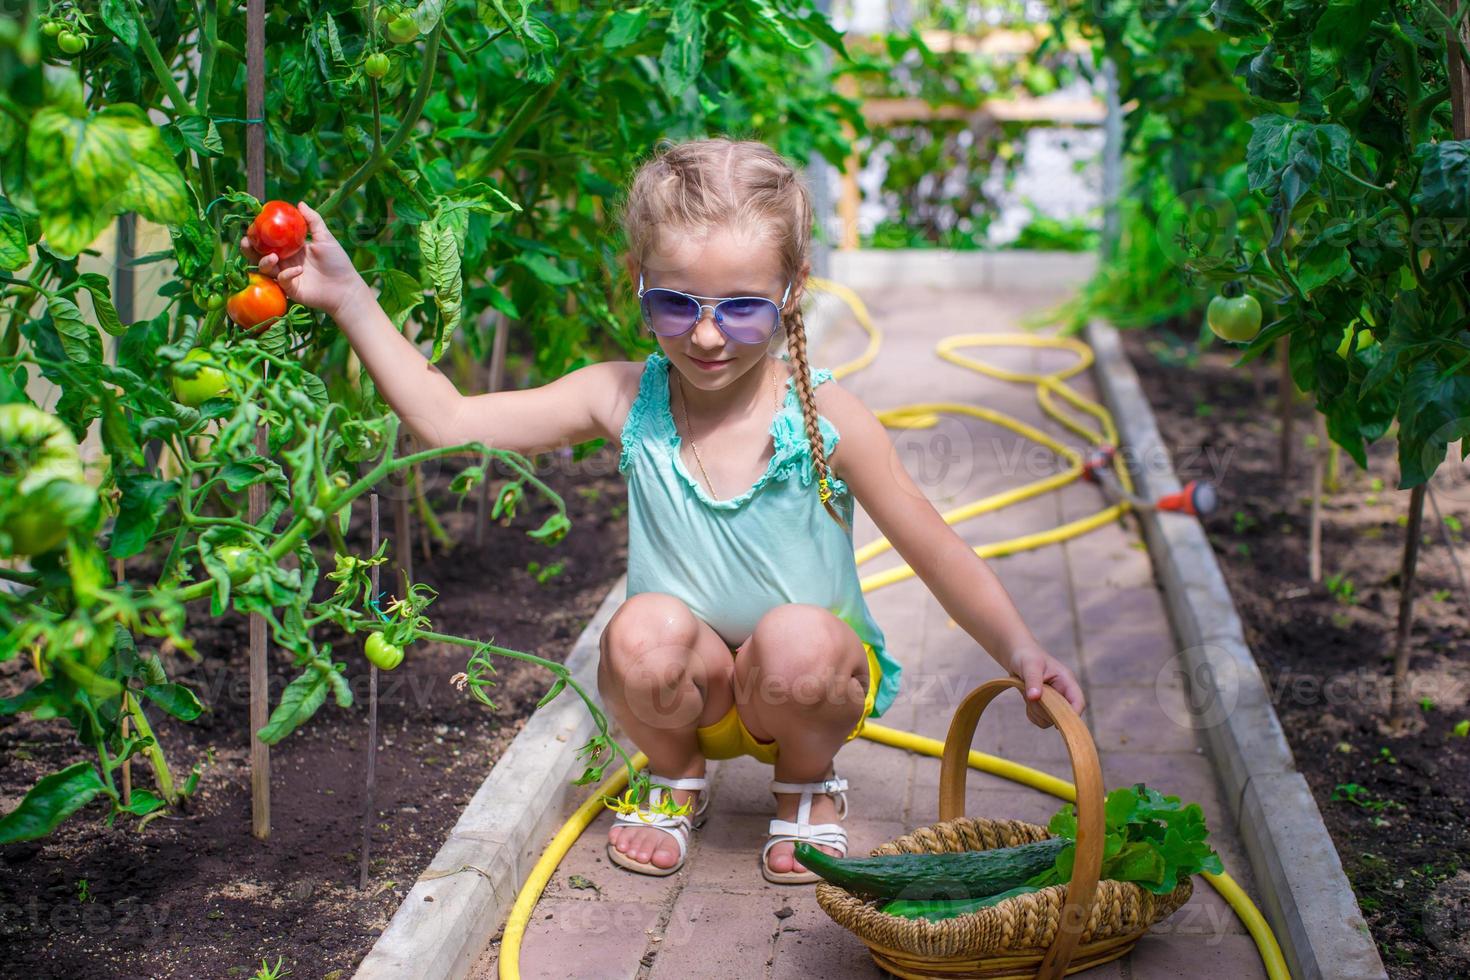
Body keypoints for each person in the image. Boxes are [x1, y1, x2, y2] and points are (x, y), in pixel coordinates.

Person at [239, 136, 1085, 887]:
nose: (708, 337)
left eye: (742, 307)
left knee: (801, 639)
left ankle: (805, 783)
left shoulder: (825, 418)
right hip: (692, 695)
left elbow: (933, 547)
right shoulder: (622, 398)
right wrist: (349, 299)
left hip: (806, 692)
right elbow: (448, 419)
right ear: (639, 284)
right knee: (637, 630)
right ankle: (674, 774)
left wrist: (1022, 651)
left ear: (792, 291)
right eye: (676, 304)